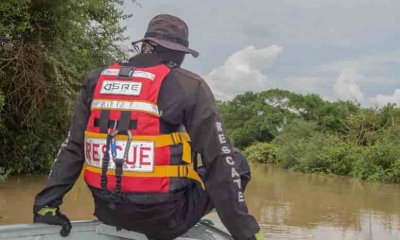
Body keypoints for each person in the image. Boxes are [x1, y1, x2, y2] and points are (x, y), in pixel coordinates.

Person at [33, 14, 263, 240]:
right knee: (237, 161)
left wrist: (45, 206)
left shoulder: (96, 80)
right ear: (176, 53)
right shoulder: (188, 85)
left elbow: (73, 147)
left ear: (144, 46)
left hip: (107, 212)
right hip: (165, 221)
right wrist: (245, 232)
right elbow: (220, 162)